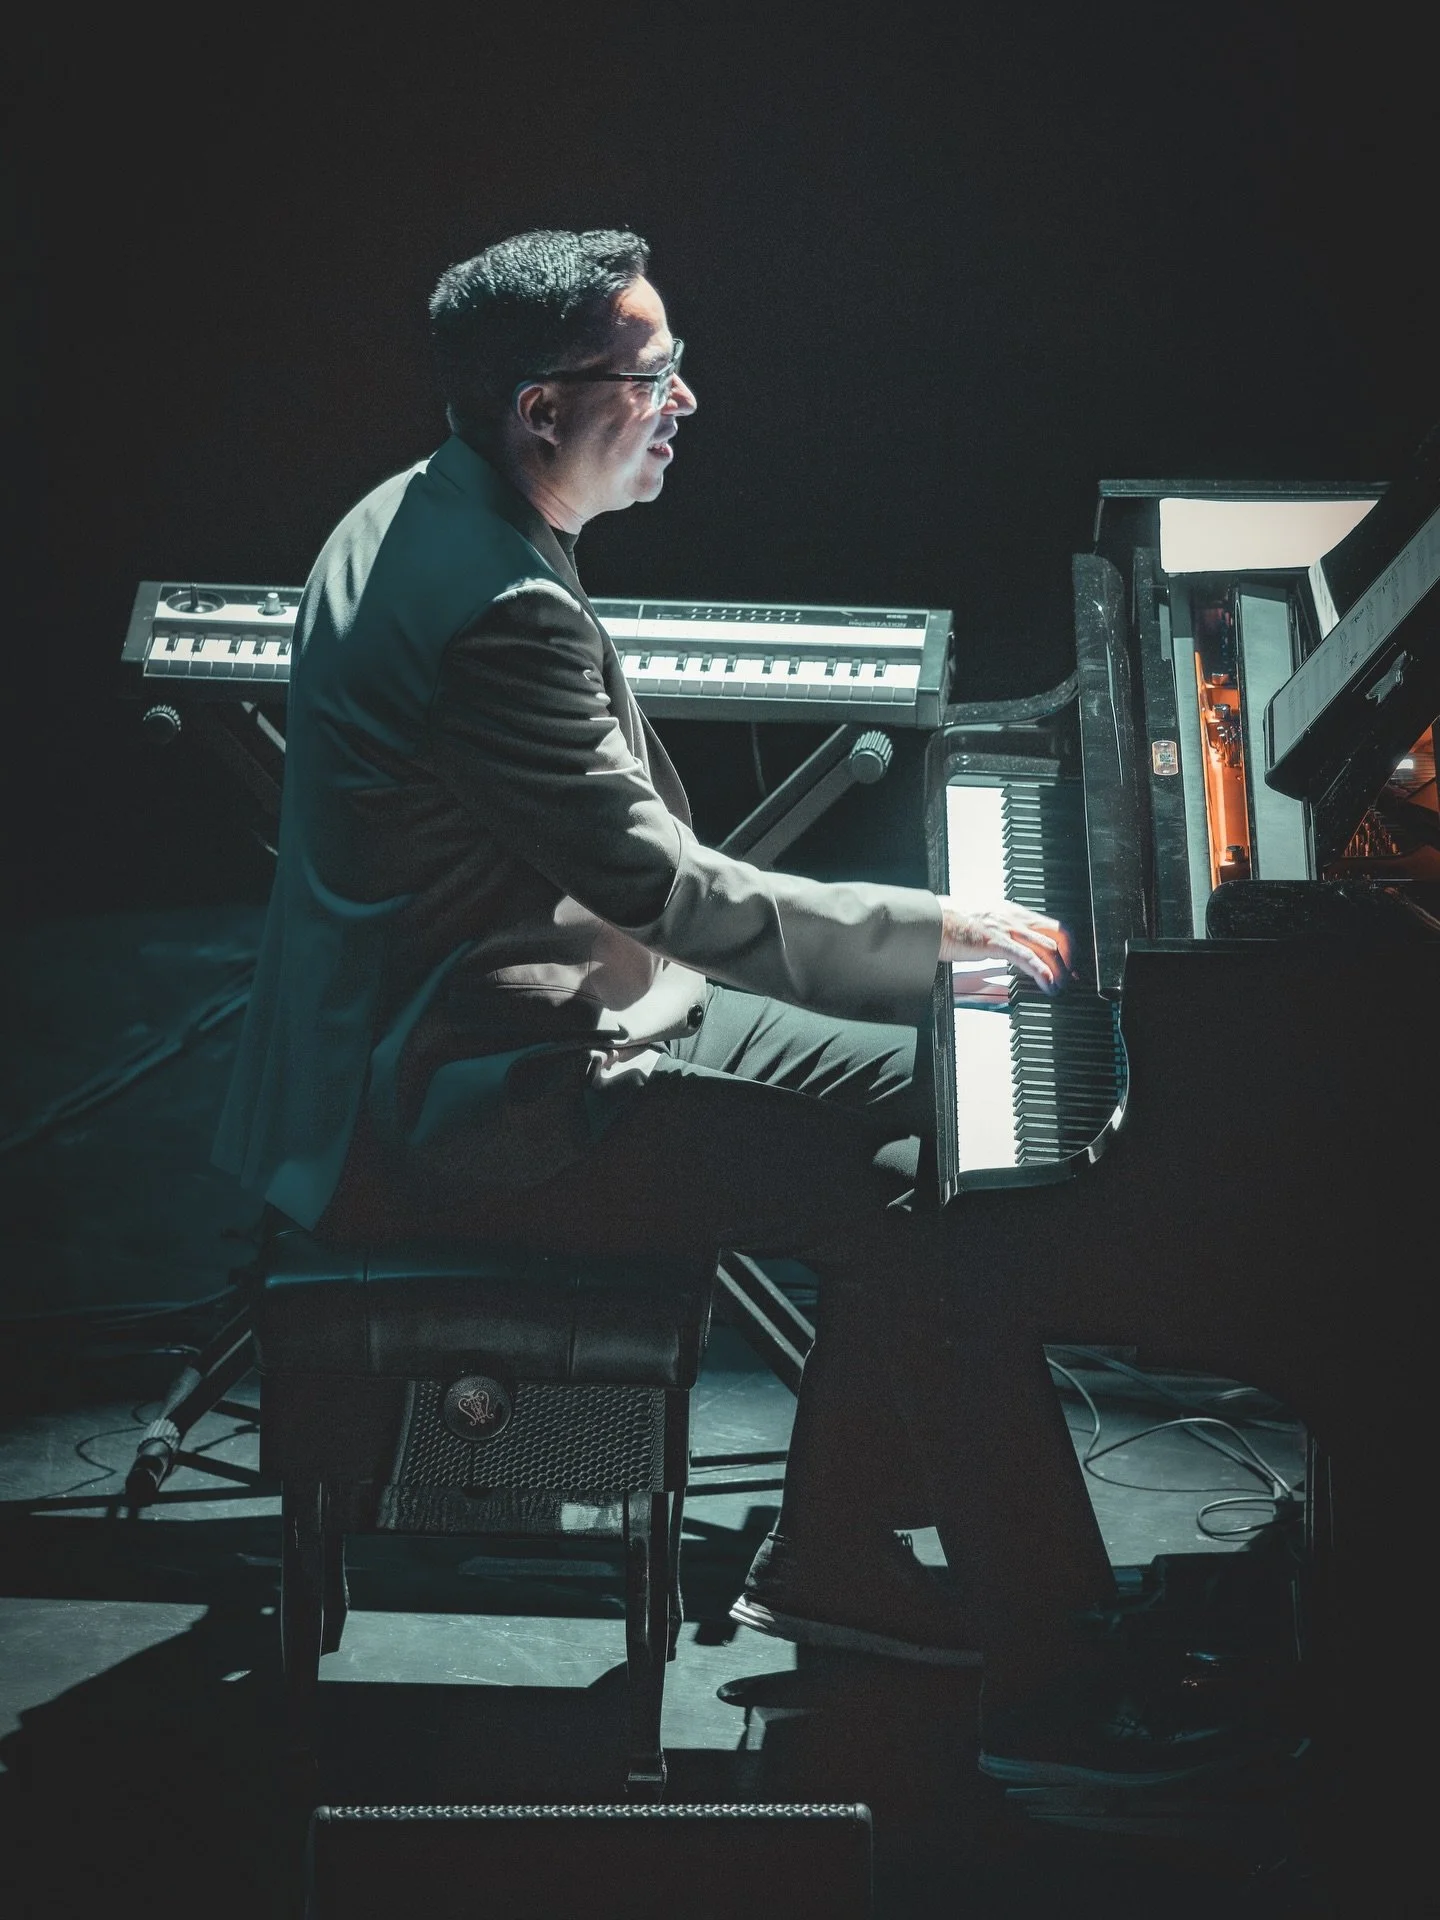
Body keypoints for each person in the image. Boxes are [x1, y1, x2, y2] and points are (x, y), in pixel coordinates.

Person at [215, 227, 1289, 1788]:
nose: (685, 400)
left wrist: (912, 958)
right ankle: (1047, 1656)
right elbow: (683, 902)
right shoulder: (494, 606)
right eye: (651, 373)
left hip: (495, 1011)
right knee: (931, 1195)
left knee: (938, 1101)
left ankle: (842, 1556)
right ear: (539, 408)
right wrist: (934, 931)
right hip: (462, 1099)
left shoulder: (419, 509)